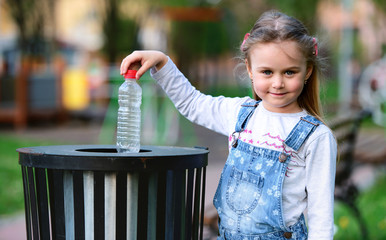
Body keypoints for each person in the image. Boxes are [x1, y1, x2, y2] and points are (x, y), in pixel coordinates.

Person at [120, 10, 337, 240]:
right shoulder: (239, 113)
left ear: (307, 71)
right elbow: (192, 103)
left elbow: (320, 217)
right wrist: (163, 62)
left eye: (289, 72)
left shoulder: (316, 137)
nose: (278, 82)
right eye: (267, 72)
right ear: (250, 70)